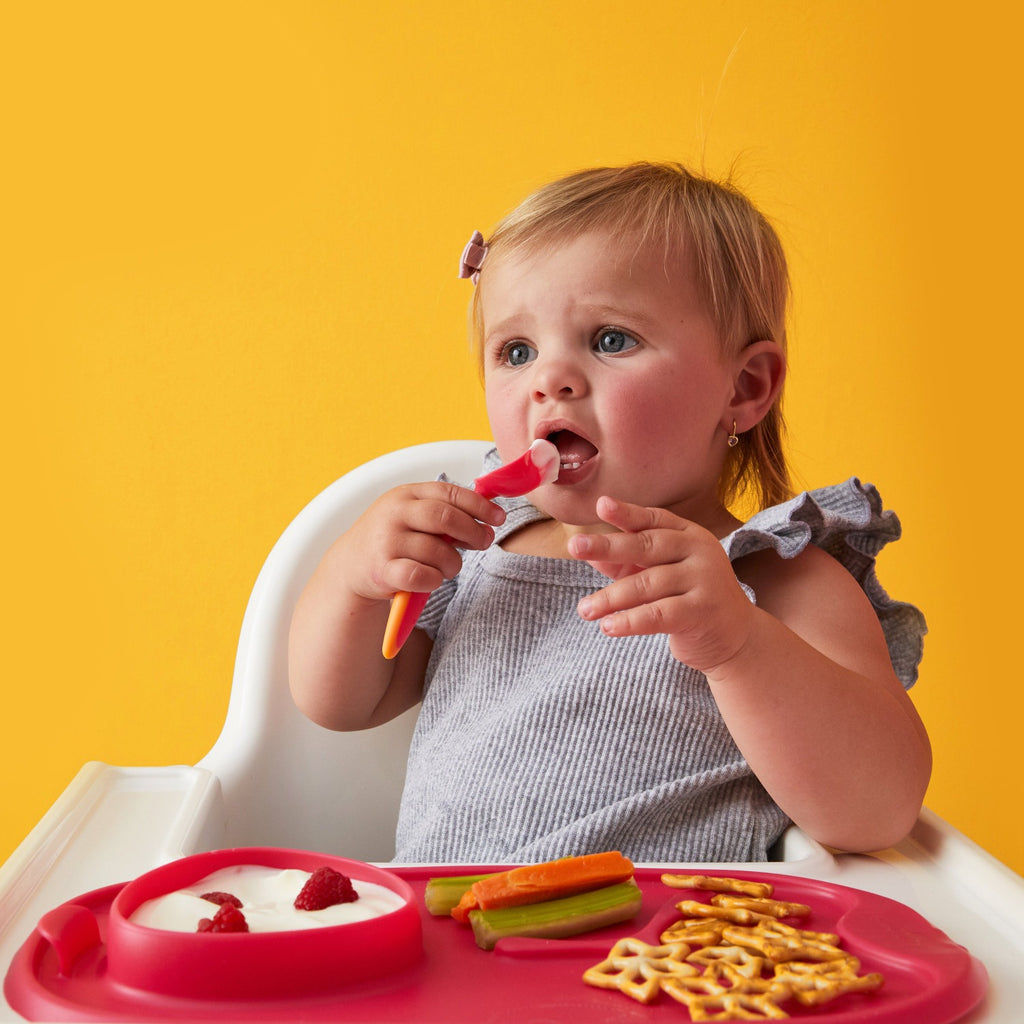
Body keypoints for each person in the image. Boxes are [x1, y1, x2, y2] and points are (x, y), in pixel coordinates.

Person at [288, 162, 930, 864]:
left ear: (743, 390)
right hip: (451, 944)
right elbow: (340, 703)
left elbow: (878, 811)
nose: (548, 380)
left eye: (610, 340)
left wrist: (738, 643)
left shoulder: (771, 576)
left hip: (661, 958)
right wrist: (353, 578)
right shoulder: (475, 549)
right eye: (516, 351)